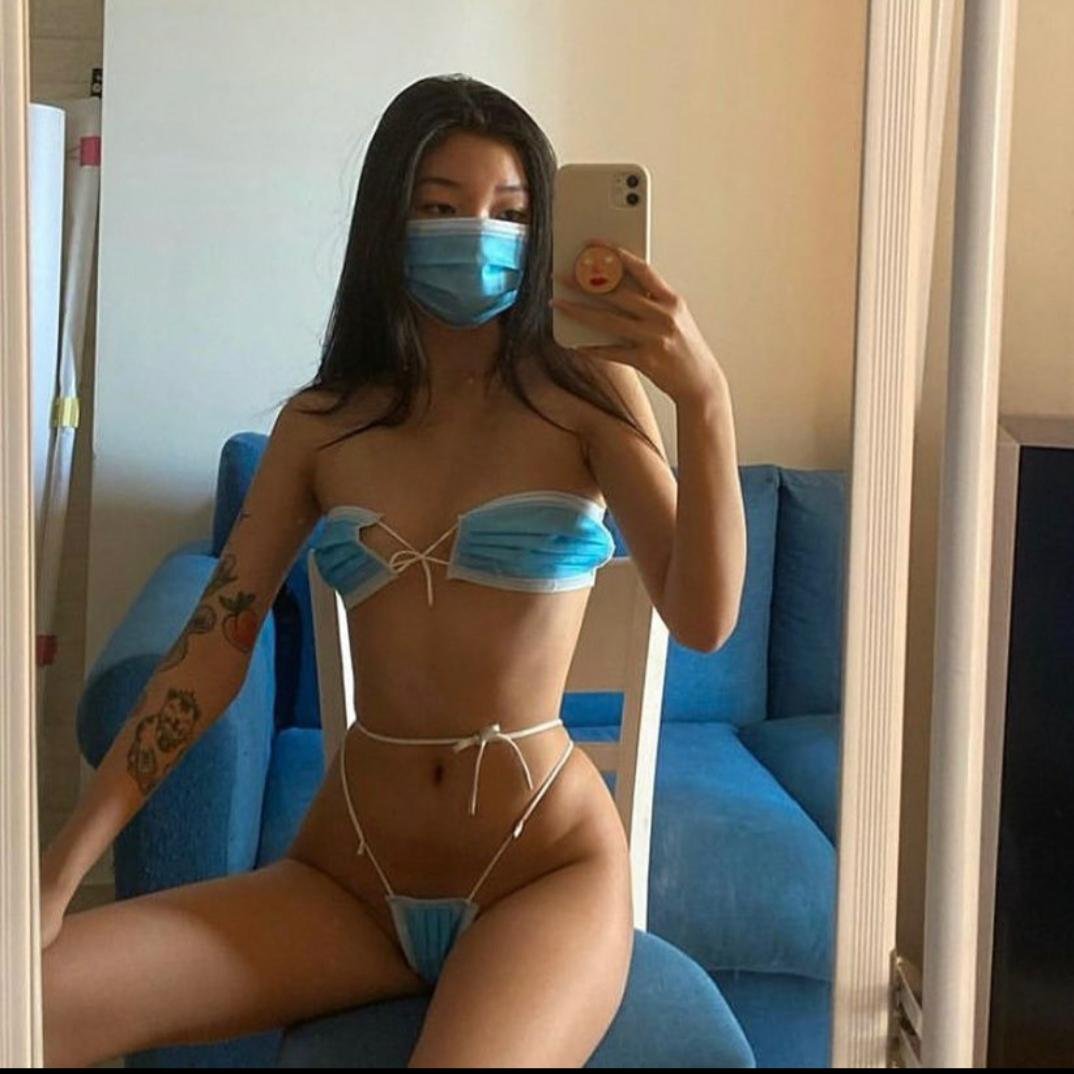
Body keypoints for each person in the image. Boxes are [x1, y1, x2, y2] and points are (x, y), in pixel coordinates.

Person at [39, 73, 744, 1068]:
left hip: (542, 875)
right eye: (442, 207)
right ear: (389, 221)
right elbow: (208, 653)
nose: (478, 234)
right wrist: (56, 875)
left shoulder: (588, 394)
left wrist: (704, 400)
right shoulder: (323, 424)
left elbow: (704, 617)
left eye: (511, 213)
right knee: (32, 1002)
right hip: (349, 880)